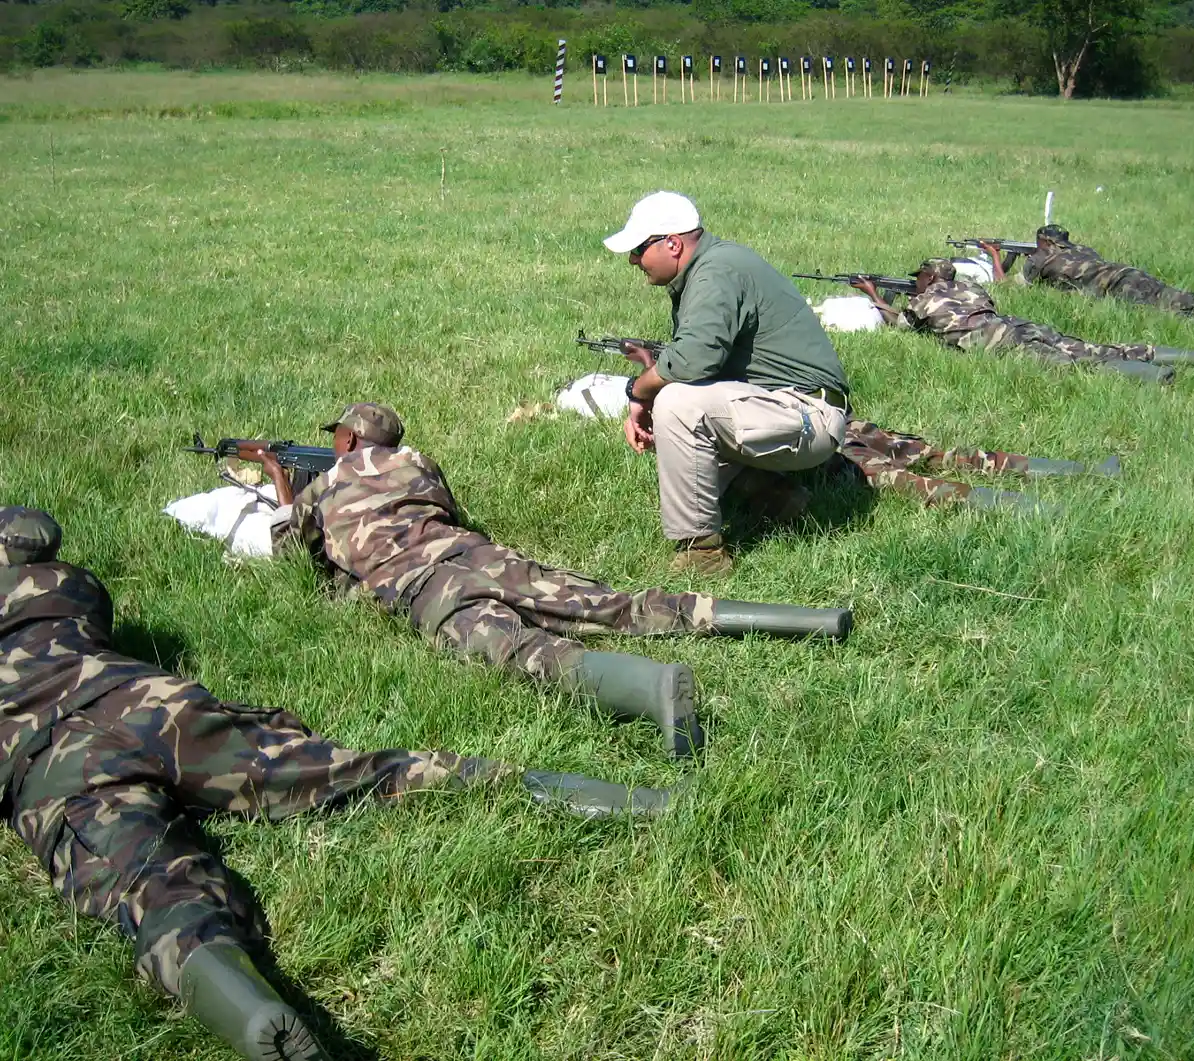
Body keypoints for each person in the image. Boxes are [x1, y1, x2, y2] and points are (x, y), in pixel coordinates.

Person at [0, 506, 673, 1061]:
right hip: (145, 702)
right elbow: (59, 564)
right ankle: (584, 793)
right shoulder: (62, 587)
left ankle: (251, 1009)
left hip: (48, 763)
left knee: (144, 879)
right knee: (356, 773)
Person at [238, 403, 852, 761]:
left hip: (423, 588)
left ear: (345, 439)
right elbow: (446, 509)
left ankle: (651, 689)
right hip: (475, 552)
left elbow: (291, 549)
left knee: (521, 650)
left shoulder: (321, 488)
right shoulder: (415, 461)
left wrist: (278, 476)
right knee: (613, 604)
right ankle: (806, 620)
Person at [602, 191, 852, 576]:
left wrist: (638, 391)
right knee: (673, 417)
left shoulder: (717, 271)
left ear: (671, 243)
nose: (634, 260)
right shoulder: (712, 267)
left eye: (638, 248)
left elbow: (691, 362)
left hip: (808, 414)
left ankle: (703, 558)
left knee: (678, 407)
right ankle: (777, 498)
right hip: (789, 409)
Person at [852, 258, 1179, 383]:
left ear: (928, 277)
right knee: (1088, 348)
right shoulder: (969, 285)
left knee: (1073, 366)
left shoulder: (924, 300)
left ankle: (1154, 375)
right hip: (1016, 324)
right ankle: (1164, 354)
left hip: (996, 342)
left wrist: (873, 294)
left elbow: (900, 325)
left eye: (920, 277)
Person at [839, 418, 1119, 511]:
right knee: (929, 465)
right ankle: (1029, 505)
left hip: (826, 431)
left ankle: (1029, 506)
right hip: (832, 426)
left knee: (915, 470)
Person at [982, 226, 1194, 322]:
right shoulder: (1084, 249)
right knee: (1179, 298)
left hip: (1118, 288)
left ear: (1046, 243)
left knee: (1170, 314)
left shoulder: (1040, 260)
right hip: (1129, 273)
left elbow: (1004, 285)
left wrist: (995, 255)